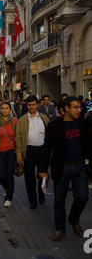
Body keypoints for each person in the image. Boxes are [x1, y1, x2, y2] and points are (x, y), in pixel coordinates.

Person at [38, 96, 92, 241]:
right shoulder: (55, 126)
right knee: (59, 200)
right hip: (62, 167)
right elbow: (47, 147)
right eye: (76, 107)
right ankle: (60, 229)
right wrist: (43, 170)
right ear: (66, 109)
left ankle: (74, 219)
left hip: (80, 166)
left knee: (83, 197)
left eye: (80, 107)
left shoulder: (83, 123)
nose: (79, 110)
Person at [16, 95, 49, 209]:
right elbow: (19, 138)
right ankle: (32, 200)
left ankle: (41, 194)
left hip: (42, 151)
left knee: (42, 175)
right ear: (27, 106)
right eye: (29, 105)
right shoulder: (22, 120)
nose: (31, 107)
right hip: (29, 151)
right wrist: (19, 154)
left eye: (33, 104)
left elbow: (49, 136)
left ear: (37, 105)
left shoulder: (44, 118)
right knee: (29, 178)